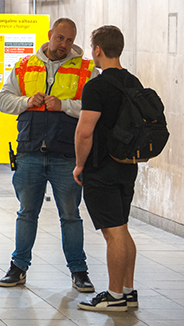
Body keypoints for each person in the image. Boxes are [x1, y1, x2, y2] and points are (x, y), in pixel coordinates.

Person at [0, 18, 99, 291]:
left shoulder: (87, 70)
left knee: (70, 215)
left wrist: (63, 105)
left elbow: (93, 109)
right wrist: (27, 101)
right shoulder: (24, 66)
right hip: (29, 151)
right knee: (27, 213)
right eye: (60, 38)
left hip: (66, 154)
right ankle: (18, 268)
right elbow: (3, 101)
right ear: (50, 35)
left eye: (69, 40)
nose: (64, 44)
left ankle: (79, 271)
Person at [74, 25, 140, 312]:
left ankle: (114, 297)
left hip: (102, 168)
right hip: (128, 165)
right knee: (122, 229)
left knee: (113, 233)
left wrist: (79, 165)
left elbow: (85, 132)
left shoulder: (96, 86)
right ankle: (128, 291)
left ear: (97, 49)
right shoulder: (133, 82)